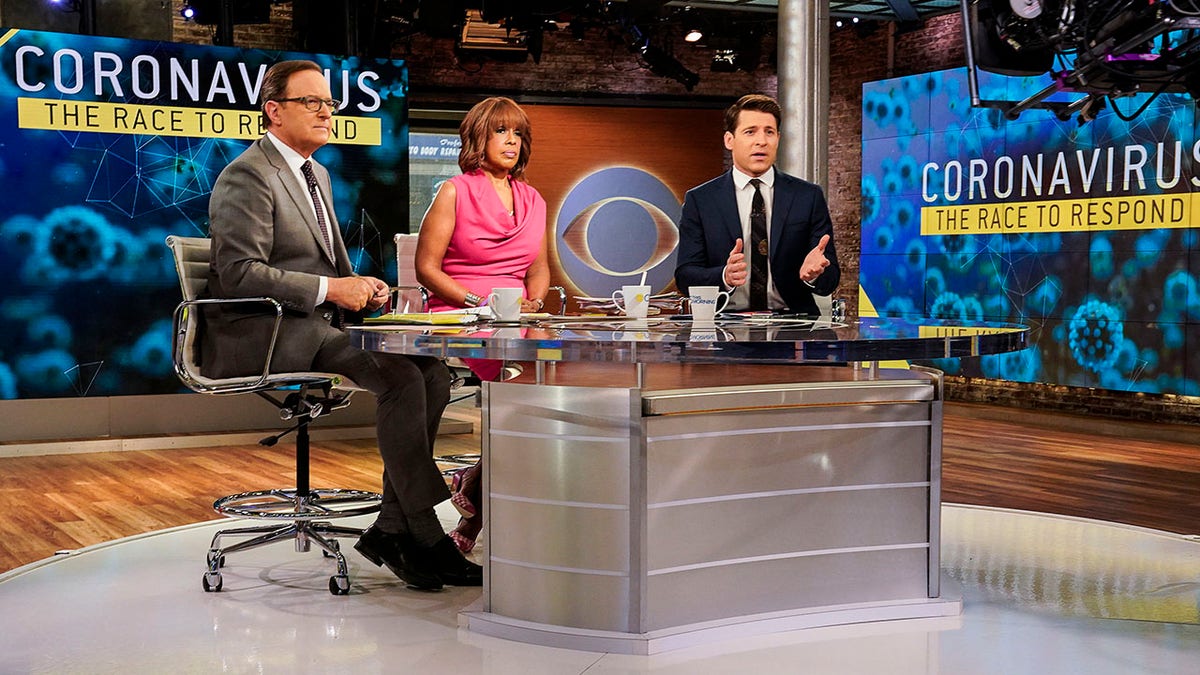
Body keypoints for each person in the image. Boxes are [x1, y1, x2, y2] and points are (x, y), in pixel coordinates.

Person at [202, 60, 479, 591]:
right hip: (268, 331)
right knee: (399, 376)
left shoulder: (317, 172)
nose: (327, 112)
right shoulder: (248, 175)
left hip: (321, 324)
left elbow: (319, 266)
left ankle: (395, 529)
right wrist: (333, 290)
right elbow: (238, 276)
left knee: (433, 372)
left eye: (330, 103)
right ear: (274, 110)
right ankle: (422, 532)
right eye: (313, 102)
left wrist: (359, 284)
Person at [414, 96, 550, 553]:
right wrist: (479, 302)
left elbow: (538, 269)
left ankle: (474, 484)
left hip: (511, 315)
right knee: (521, 388)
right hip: (461, 310)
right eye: (501, 132)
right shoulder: (455, 190)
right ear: (479, 137)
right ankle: (476, 508)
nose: (511, 141)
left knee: (552, 372)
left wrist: (531, 301)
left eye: (518, 134)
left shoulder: (534, 199)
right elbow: (427, 268)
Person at [674, 94, 840, 316]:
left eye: (769, 132)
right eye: (750, 131)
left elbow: (830, 279)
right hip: (725, 323)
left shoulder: (807, 196)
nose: (761, 141)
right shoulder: (701, 200)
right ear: (729, 140)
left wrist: (815, 274)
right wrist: (724, 275)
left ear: (778, 139)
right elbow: (685, 276)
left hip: (792, 324)